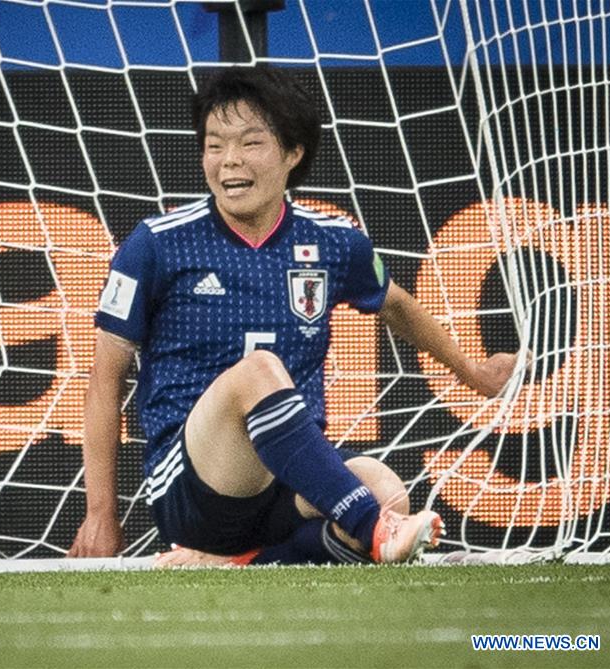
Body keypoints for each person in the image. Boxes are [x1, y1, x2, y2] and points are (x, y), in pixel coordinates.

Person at [67, 66, 516, 567]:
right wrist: (100, 513)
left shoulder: (333, 241)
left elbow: (395, 304)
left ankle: (238, 560)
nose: (229, 160)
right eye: (214, 145)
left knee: (387, 490)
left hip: (284, 482)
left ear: (293, 153)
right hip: (192, 485)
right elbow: (105, 381)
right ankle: (371, 529)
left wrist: (473, 373)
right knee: (260, 370)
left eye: (250, 143)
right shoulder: (157, 244)